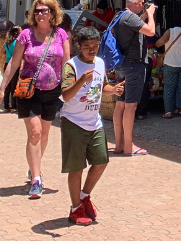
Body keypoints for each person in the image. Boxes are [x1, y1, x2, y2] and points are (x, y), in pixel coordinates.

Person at [0, 0, 70, 198]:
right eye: (36, 11)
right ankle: (36, 179)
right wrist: (2, 88)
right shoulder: (26, 35)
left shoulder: (61, 34)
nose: (39, 14)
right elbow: (13, 63)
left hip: (53, 90)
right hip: (29, 90)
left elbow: (67, 64)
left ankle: (33, 166)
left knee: (44, 134)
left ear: (53, 13)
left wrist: (71, 89)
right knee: (35, 132)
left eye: (44, 10)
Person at [59, 27, 124, 226]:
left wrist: (114, 90)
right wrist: (81, 81)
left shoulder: (100, 63)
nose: (92, 50)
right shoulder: (71, 66)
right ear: (78, 46)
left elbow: (101, 86)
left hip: (94, 122)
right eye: (87, 47)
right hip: (73, 121)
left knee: (101, 161)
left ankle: (85, 195)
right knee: (76, 167)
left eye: (95, 46)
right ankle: (75, 208)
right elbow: (65, 95)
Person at [111, 0, 156, 155]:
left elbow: (134, 26)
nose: (144, 6)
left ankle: (118, 144)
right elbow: (150, 31)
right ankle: (129, 146)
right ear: (137, 3)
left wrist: (144, 14)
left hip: (121, 65)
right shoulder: (131, 17)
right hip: (134, 65)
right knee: (131, 106)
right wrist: (150, 15)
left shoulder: (119, 16)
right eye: (143, 3)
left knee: (120, 104)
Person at [153, 13, 181, 119]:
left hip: (171, 63)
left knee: (169, 87)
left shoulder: (170, 32)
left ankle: (168, 111)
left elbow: (159, 43)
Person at [2, 26, 22, 112]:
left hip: (6, 64)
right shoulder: (16, 43)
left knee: (7, 86)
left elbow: (2, 51)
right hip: (14, 64)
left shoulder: (6, 43)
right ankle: (14, 106)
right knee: (14, 86)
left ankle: (6, 106)